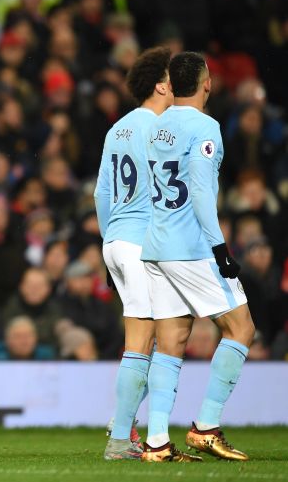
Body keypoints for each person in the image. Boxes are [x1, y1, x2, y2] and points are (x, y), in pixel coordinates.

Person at [140, 52, 255, 462]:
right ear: (207, 83)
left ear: (171, 85)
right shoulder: (206, 127)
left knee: (170, 342)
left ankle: (156, 443)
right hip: (190, 247)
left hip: (155, 247)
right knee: (241, 328)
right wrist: (220, 247)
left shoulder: (157, 126)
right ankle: (206, 426)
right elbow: (202, 191)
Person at [93, 47, 173, 460]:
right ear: (161, 86)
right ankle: (120, 435)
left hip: (116, 242)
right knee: (143, 342)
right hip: (143, 242)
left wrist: (110, 241)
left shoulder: (118, 128)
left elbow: (101, 192)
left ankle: (125, 419)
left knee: (154, 338)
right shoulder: (162, 130)